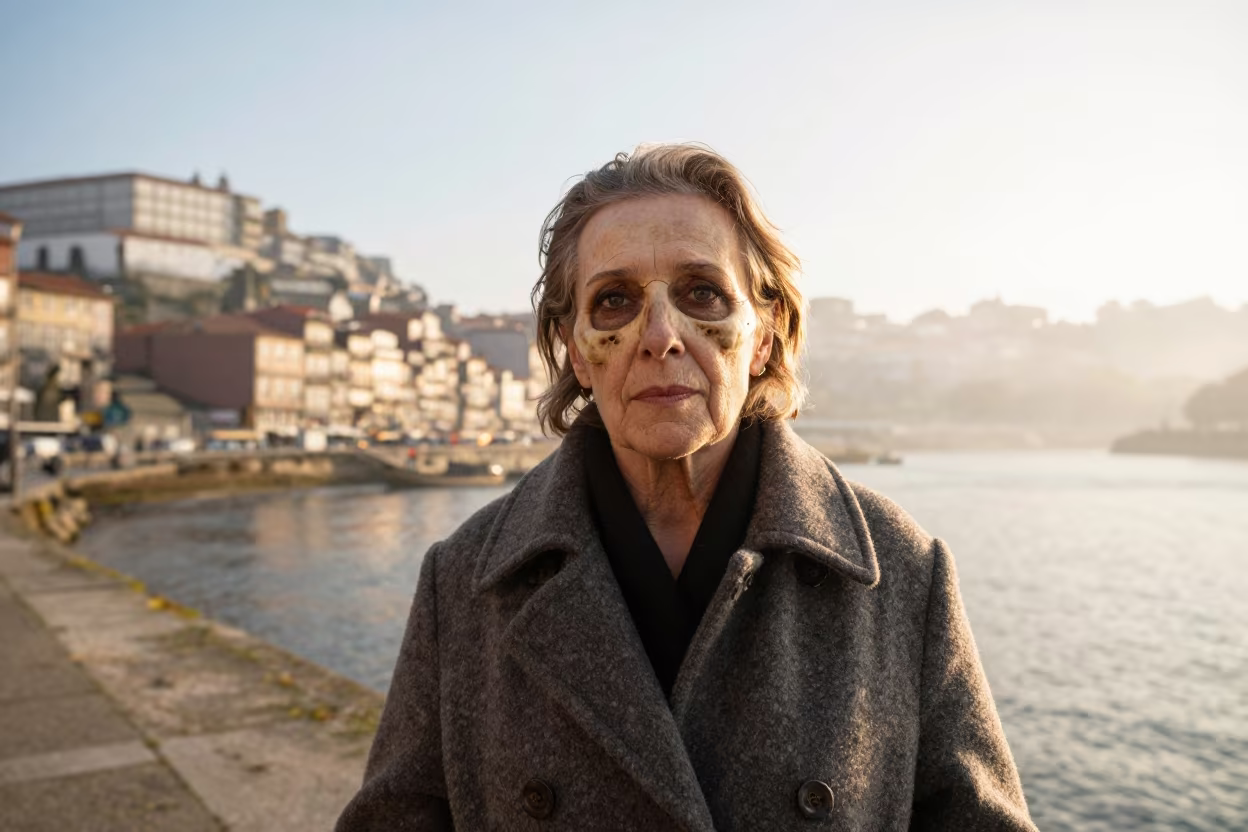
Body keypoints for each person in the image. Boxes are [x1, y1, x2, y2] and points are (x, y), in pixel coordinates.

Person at [336, 144, 1037, 830]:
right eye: (614, 301)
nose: (661, 335)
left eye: (702, 293)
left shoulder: (902, 573)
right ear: (576, 349)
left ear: (763, 334)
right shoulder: (464, 583)